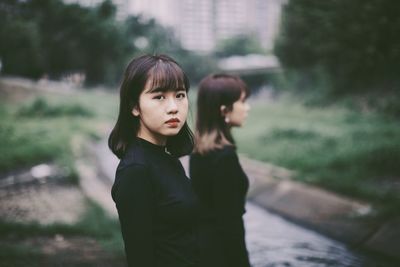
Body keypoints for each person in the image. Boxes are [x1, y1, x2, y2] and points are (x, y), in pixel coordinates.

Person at [108, 54, 199, 267]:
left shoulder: (167, 158)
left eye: (179, 95)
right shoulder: (136, 170)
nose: (173, 107)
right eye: (159, 97)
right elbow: (140, 257)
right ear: (134, 106)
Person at [189, 73, 251, 267]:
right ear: (224, 110)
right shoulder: (224, 158)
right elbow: (230, 224)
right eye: (242, 101)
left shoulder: (199, 151)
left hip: (203, 248)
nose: (247, 107)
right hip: (221, 254)